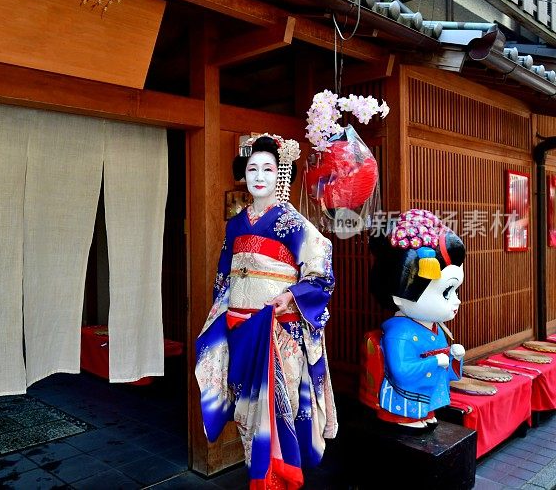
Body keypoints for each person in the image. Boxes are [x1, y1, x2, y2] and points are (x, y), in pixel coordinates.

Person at [195, 135, 337, 490]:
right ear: (244, 175)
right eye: (252, 169)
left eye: (268, 169)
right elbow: (223, 279)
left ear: (280, 175)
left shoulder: (294, 223)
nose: (259, 176)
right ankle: (257, 473)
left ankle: (277, 479)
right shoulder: (235, 225)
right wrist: (221, 322)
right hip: (240, 329)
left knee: (278, 409)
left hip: (277, 334)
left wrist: (292, 294)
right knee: (246, 415)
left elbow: (321, 272)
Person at [367, 209, 465, 429]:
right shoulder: (399, 334)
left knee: (427, 409)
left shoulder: (435, 328)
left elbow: (446, 368)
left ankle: (426, 413)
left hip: (427, 393)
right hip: (405, 398)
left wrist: (455, 358)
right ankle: (405, 417)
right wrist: (434, 361)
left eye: (456, 291)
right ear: (401, 295)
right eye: (447, 292)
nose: (456, 301)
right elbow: (401, 371)